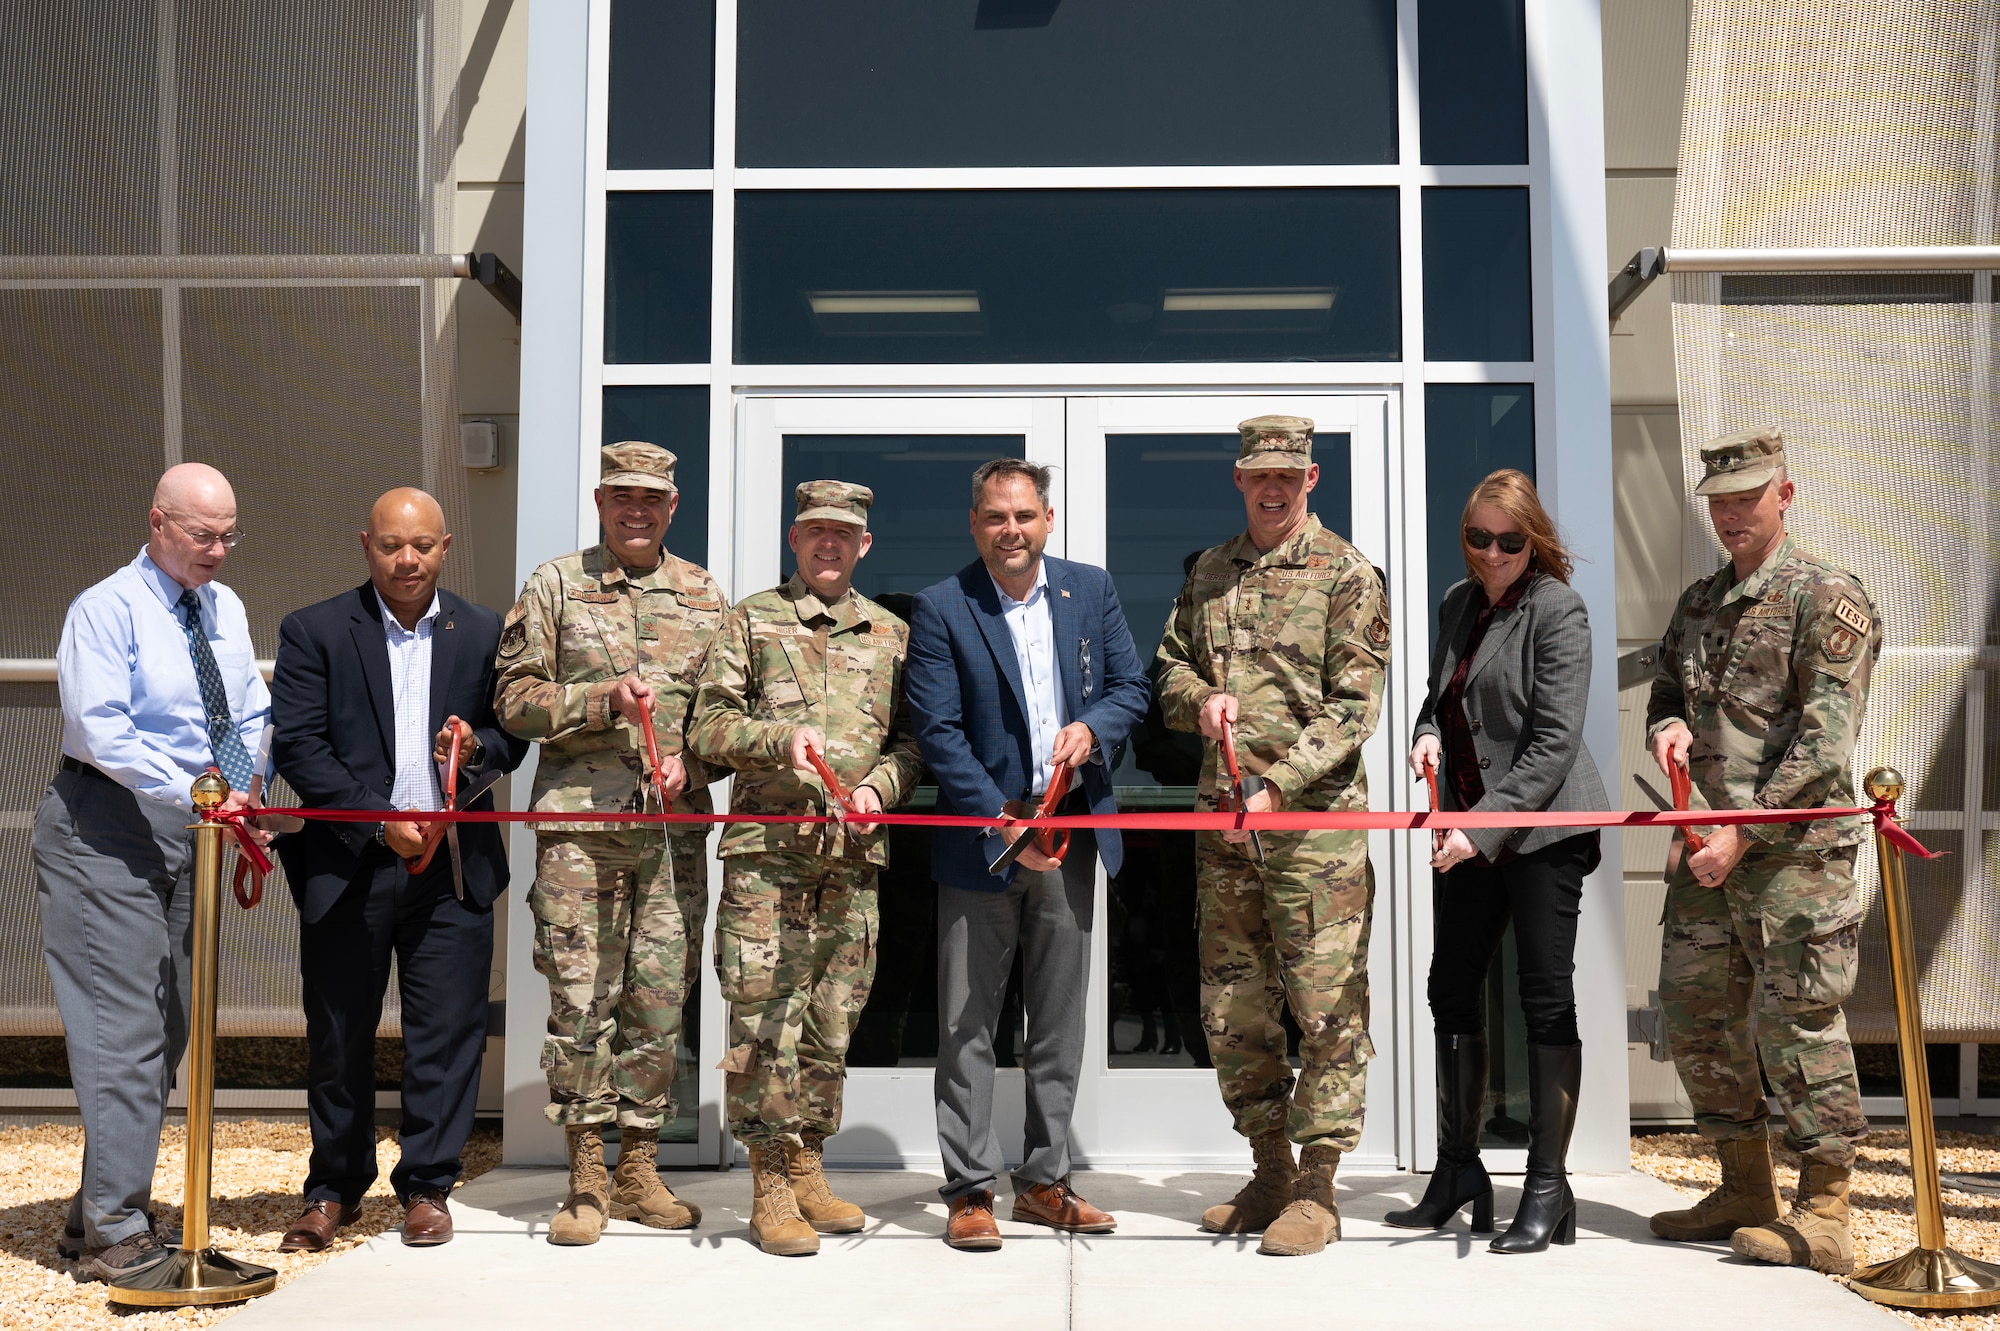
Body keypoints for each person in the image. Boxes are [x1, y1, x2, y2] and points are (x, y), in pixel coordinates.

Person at [1644, 428, 1880, 1274]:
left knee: (1799, 1022)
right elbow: (1669, 683)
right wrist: (1665, 723)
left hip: (1793, 855)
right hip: (1711, 845)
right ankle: (1744, 1184)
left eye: (1747, 497)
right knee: (1695, 1010)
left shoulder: (1825, 595)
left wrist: (1743, 830)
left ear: (1786, 494)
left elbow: (1824, 743)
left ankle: (1827, 1208)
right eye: (1719, 501)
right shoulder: (1700, 601)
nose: (1731, 514)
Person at [1155, 415, 1389, 1257]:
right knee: (1234, 1005)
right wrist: (1196, 700)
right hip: (1224, 832)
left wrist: (1278, 781)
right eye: (1260, 474)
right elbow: (1169, 665)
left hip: (1312, 833)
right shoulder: (1212, 571)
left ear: (1312, 478)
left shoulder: (1347, 574)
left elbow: (1355, 706)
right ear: (1240, 477)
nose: (1273, 487)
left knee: (1326, 1008)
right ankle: (1269, 1169)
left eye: (1288, 474)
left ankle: (1319, 1190)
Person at [269, 488, 526, 1250]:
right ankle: (333, 1186)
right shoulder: (314, 629)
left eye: (421, 544)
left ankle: (427, 1186)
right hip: (350, 862)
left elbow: (510, 736)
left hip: (451, 869)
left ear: (446, 546)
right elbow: (300, 747)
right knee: (340, 1033)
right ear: (365, 544)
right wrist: (381, 821)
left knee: (445, 1034)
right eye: (390, 544)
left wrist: (472, 746)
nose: (406, 558)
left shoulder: (483, 631)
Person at [905, 458, 1148, 1251]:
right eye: (995, 517)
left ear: (1048, 518)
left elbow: (1131, 688)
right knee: (968, 1021)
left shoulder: (1092, 589)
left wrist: (1096, 729)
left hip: (1073, 835)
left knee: (1059, 1021)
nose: (1011, 530)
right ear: (975, 525)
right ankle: (970, 1189)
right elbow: (936, 730)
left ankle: (1045, 1181)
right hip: (985, 841)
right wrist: (1006, 824)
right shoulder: (943, 607)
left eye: (1025, 515)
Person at [35, 463, 271, 1280]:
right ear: (158, 522)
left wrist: (243, 783)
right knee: (122, 1029)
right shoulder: (106, 609)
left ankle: (95, 1207)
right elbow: (103, 731)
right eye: (203, 534)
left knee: (165, 1028)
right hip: (108, 823)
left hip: (195, 826)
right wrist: (202, 793)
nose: (218, 550)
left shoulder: (226, 607)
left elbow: (246, 708)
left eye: (229, 534)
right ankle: (114, 1231)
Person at [495, 441, 725, 1245]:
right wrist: (600, 700)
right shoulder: (557, 584)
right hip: (580, 831)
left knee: (657, 1002)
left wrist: (692, 761)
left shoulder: (703, 594)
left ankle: (638, 1169)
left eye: (652, 499)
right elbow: (513, 700)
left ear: (672, 506)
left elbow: (722, 717)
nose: (638, 510)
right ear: (600, 500)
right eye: (623, 496)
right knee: (580, 997)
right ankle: (586, 1173)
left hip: (669, 831)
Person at [687, 481, 925, 1256]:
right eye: (816, 531)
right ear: (795, 539)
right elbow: (707, 727)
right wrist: (775, 740)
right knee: (764, 1020)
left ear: (864, 546)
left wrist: (876, 787)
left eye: (844, 533)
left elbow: (913, 745)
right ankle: (769, 1185)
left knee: (832, 1020)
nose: (830, 544)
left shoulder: (891, 633)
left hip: (851, 861)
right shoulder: (752, 620)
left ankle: (809, 1164)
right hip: (769, 860)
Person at [1387, 469, 1607, 1253]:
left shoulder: (1558, 609)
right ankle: (1458, 1170)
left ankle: (1548, 1187)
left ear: (1534, 538)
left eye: (1509, 540)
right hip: (1471, 830)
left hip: (1542, 831)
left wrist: (1478, 829)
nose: (1492, 553)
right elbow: (1439, 697)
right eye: (1478, 538)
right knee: (1450, 986)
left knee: (1544, 996)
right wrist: (1429, 733)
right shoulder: (1458, 600)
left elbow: (1551, 744)